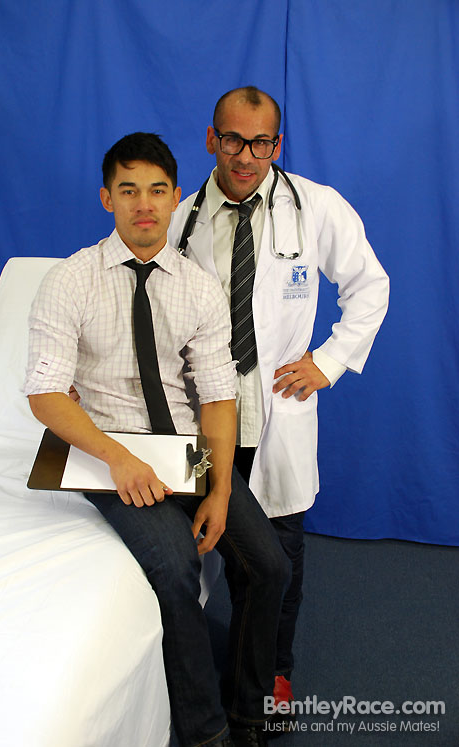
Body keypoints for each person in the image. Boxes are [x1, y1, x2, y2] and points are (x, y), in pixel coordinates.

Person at [24, 132, 289, 747]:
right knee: (173, 567)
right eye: (128, 190)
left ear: (175, 198)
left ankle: (250, 711)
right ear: (107, 199)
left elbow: (217, 396)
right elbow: (45, 394)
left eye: (156, 190)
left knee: (269, 565)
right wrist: (118, 459)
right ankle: (205, 732)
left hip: (183, 447)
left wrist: (218, 489)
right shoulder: (70, 280)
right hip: (106, 447)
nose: (143, 204)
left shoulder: (197, 286)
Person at [169, 87, 390, 720]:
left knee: (280, 557)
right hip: (204, 417)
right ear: (211, 139)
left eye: (260, 142)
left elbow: (369, 285)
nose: (245, 156)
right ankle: (201, 667)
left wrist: (328, 361)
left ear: (277, 144)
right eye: (232, 140)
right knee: (200, 547)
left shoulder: (315, 207)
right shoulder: (183, 220)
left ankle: (272, 674)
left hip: (275, 414)